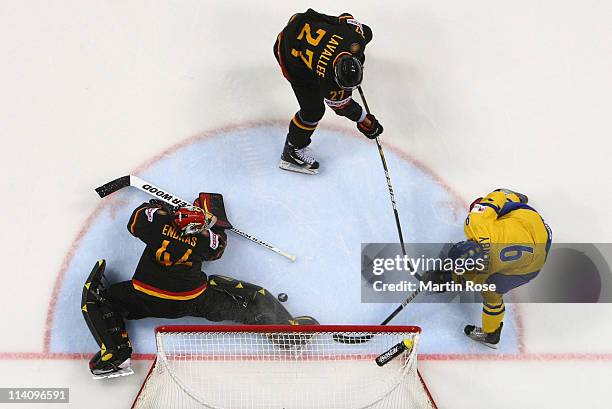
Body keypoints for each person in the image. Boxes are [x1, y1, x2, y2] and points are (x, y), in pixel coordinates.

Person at [81, 194, 316, 379]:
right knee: (246, 304)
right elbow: (219, 246)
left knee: (102, 299)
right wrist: (213, 225)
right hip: (191, 301)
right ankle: (285, 331)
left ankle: (115, 353)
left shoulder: (157, 224)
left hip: (145, 297)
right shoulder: (205, 240)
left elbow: (137, 220)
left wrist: (164, 209)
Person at [423, 188, 552, 348]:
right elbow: (497, 196)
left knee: (492, 294)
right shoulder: (477, 223)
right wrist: (501, 200)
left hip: (530, 259)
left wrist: (442, 279)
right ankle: (516, 198)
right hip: (535, 232)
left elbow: (462, 278)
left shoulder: (480, 273)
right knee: (485, 204)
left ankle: (491, 333)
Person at [274, 9, 384, 174]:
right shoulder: (328, 78)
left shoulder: (357, 38)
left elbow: (346, 18)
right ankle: (292, 151)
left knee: (364, 33)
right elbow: (343, 107)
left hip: (302, 21)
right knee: (313, 110)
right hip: (288, 48)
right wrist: (365, 121)